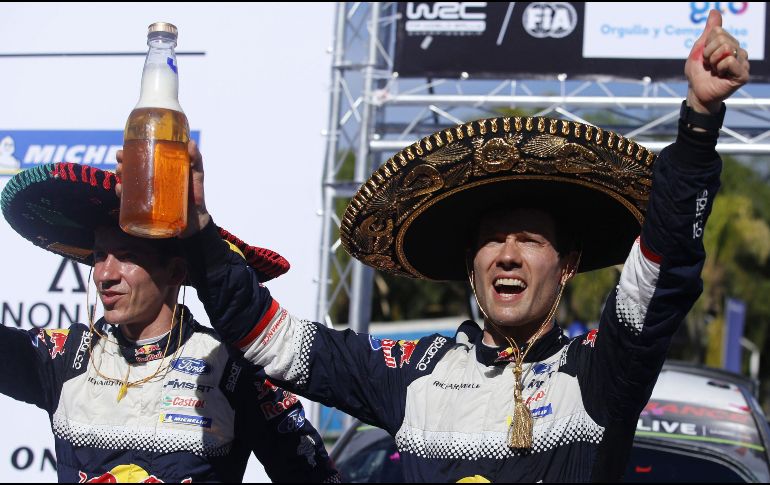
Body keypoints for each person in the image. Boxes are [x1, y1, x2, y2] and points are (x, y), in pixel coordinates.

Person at [136, 9, 746, 482]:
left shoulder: (599, 371)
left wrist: (697, 123)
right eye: (491, 241)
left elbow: (660, 275)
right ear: (471, 264)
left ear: (568, 266)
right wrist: (200, 234)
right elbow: (270, 341)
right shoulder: (412, 374)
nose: (506, 254)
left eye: (530, 240)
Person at [0, 157, 340, 482]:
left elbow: (311, 474)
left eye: (127, 256)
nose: (105, 274)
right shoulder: (62, 356)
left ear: (176, 271)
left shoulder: (232, 369)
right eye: (101, 255)